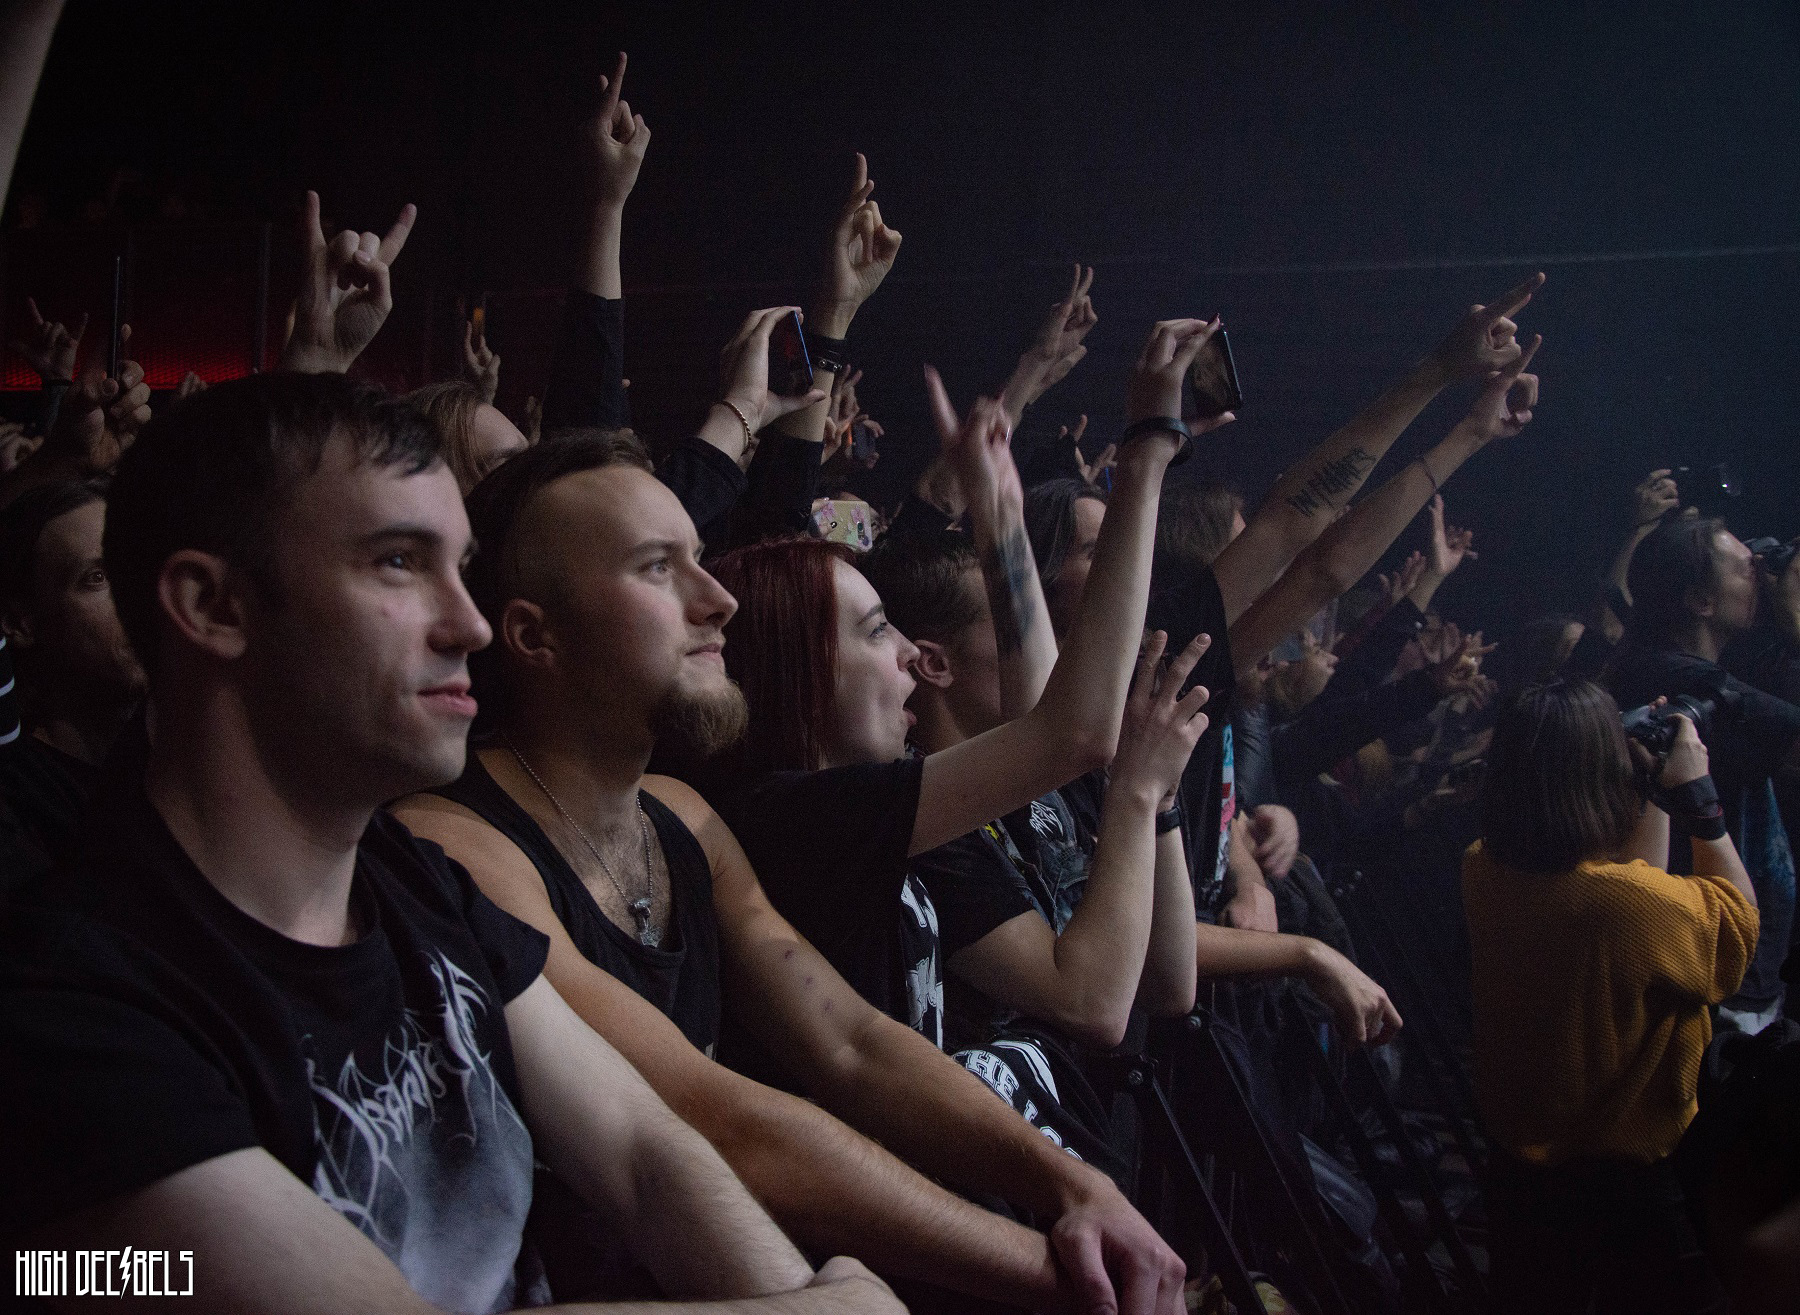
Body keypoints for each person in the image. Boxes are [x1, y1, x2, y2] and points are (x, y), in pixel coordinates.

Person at [0, 373, 899, 1315]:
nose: (471, 624)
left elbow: (642, 1151)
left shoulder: (416, 884)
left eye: (460, 567)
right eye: (398, 561)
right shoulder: (65, 1007)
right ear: (213, 606)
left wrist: (794, 1292)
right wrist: (822, 1307)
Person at [389, 429, 1179, 1313]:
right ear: (536, 635)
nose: (717, 599)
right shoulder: (459, 844)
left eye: (700, 559)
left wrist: (1075, 1186)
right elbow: (705, 1112)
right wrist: (1067, 1275)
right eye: (657, 568)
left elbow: (853, 1044)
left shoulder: (686, 818)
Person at [1463, 680, 1758, 1313]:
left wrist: (1649, 791)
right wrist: (1698, 799)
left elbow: (1636, 880)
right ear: (1603, 774)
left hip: (1523, 1177)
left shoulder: (1483, 866)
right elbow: (1736, 932)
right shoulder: (1624, 910)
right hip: (1626, 1187)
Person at [1609, 514, 1800, 1034]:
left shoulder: (1682, 665)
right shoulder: (1674, 677)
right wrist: (1793, 618)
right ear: (1701, 601)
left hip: (1734, 962)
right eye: (1744, 568)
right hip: (1710, 976)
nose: (1761, 573)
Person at [0, 478, 145, 881]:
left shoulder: (185, 752)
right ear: (20, 623)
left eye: (133, 565)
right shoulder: (20, 807)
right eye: (96, 578)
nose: (135, 594)